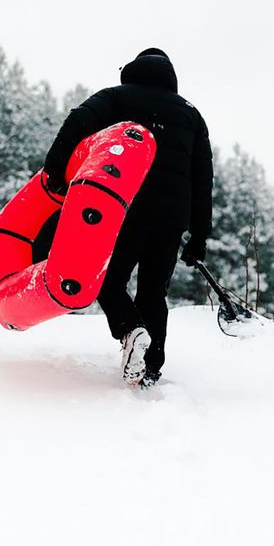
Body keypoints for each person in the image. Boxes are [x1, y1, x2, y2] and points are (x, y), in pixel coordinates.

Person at [43, 48, 213, 387]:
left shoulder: (115, 98)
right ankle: (150, 370)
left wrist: (54, 167)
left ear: (133, 70)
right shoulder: (192, 114)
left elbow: (77, 120)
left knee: (108, 279)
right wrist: (199, 234)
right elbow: (202, 177)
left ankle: (130, 330)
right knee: (153, 292)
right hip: (171, 218)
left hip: (125, 206)